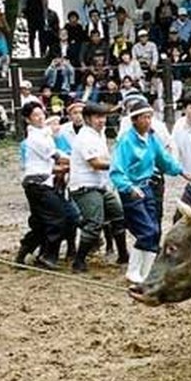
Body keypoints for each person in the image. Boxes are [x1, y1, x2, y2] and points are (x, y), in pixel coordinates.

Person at [111, 96, 191, 293]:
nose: (148, 121)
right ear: (134, 120)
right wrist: (129, 188)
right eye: (144, 117)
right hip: (132, 190)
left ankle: (146, 271)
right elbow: (116, 170)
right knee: (146, 230)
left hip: (148, 187)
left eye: (150, 117)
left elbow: (163, 159)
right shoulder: (125, 141)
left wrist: (181, 171)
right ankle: (133, 271)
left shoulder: (151, 138)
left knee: (155, 230)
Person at [68, 102, 128, 272]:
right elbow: (95, 163)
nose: (102, 121)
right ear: (88, 119)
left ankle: (123, 254)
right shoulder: (85, 137)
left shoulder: (98, 135)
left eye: (103, 117)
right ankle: (79, 261)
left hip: (99, 185)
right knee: (94, 224)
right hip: (85, 187)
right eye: (98, 117)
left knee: (118, 216)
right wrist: (119, 165)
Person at [14, 103, 70, 270]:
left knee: (40, 221)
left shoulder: (43, 135)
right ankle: (47, 256)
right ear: (28, 119)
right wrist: (79, 161)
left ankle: (25, 252)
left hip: (38, 183)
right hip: (39, 184)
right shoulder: (36, 138)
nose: (40, 117)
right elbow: (57, 156)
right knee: (58, 217)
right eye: (35, 115)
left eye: (41, 114)